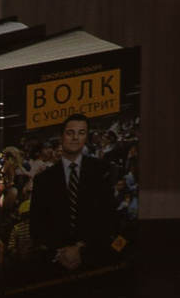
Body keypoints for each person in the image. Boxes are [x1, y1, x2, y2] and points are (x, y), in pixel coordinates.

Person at [23, 113, 120, 271]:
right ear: (61, 137)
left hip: (95, 259)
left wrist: (80, 247)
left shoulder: (103, 170)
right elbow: (37, 228)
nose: (75, 137)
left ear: (86, 137)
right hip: (58, 262)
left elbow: (108, 216)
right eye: (70, 132)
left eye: (81, 133)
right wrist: (64, 252)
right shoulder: (43, 179)